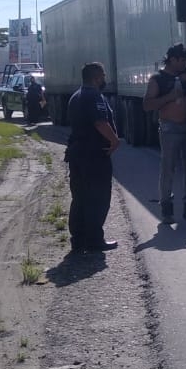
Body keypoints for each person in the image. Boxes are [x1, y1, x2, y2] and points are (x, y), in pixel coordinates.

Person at [143, 43, 186, 223]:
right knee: (168, 169)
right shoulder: (158, 79)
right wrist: (170, 97)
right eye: (182, 59)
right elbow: (148, 105)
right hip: (170, 127)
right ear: (172, 59)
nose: (185, 62)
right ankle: (166, 209)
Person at [64, 62, 120, 252]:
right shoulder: (94, 96)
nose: (105, 79)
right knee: (98, 197)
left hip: (77, 153)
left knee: (79, 197)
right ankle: (95, 240)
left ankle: (78, 239)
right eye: (103, 76)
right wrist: (115, 141)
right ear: (96, 78)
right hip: (94, 155)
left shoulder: (76, 96)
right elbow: (100, 122)